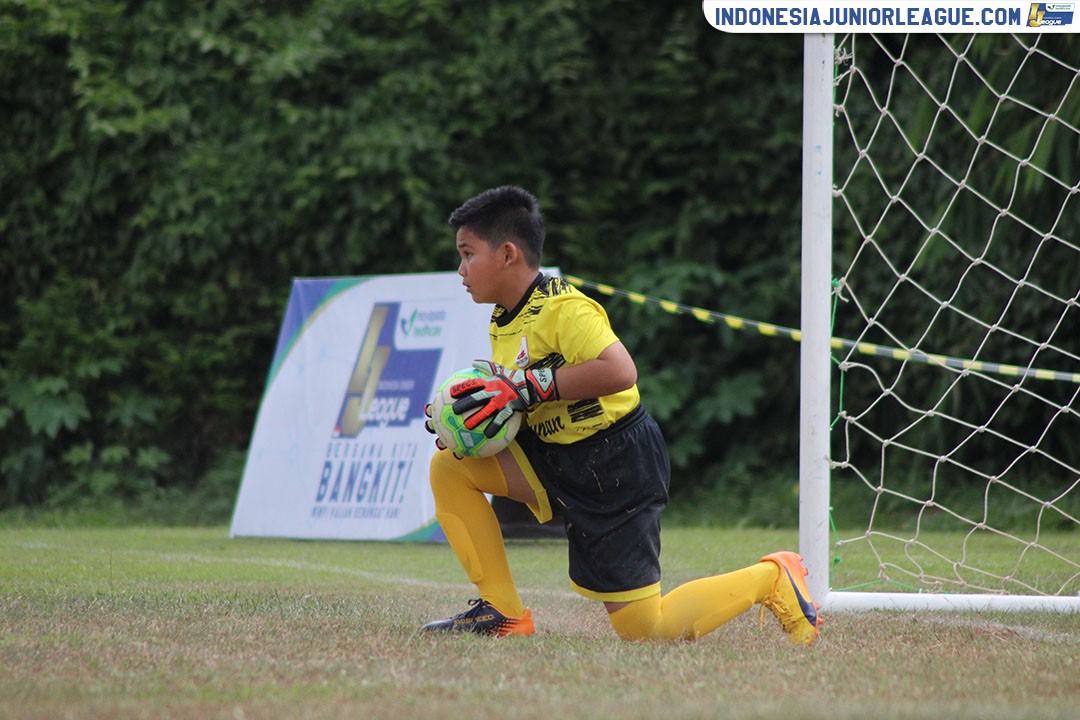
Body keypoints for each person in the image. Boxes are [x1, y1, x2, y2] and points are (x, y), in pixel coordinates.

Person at [419, 185, 821, 644]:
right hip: (554, 456)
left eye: (468, 254)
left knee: (644, 630)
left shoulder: (563, 308)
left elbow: (620, 370)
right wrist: (467, 423)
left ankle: (771, 578)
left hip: (614, 463)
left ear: (507, 254)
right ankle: (504, 614)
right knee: (451, 466)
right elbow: (524, 400)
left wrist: (526, 387)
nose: (461, 269)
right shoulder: (503, 317)